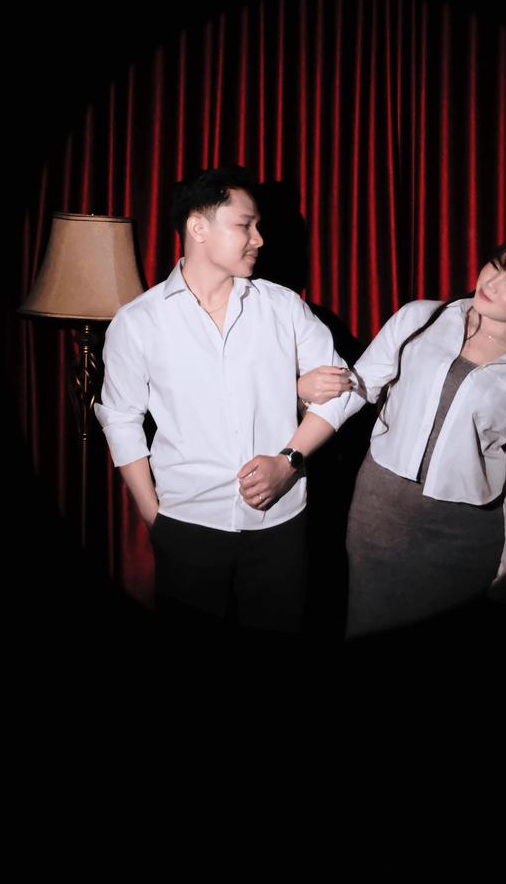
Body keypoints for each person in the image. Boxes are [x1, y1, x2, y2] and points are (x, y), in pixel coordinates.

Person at [93, 167, 352, 637]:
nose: (259, 239)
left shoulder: (283, 306)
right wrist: (154, 517)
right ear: (198, 228)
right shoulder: (137, 321)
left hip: (280, 525)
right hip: (185, 526)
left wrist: (288, 461)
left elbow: (342, 392)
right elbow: (121, 419)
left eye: (258, 227)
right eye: (245, 225)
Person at [304, 234, 506, 638]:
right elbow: (358, 388)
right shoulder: (420, 318)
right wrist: (294, 445)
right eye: (495, 266)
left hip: (463, 536)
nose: (490, 283)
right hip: (380, 514)